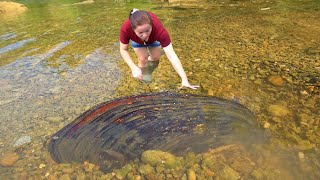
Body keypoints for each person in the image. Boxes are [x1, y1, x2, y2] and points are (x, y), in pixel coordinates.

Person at [119, 8, 199, 89]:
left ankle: (161, 50)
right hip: (137, 41)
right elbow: (123, 49)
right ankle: (144, 81)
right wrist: (133, 68)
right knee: (143, 59)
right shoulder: (126, 28)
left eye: (147, 30)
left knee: (155, 58)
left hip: (154, 38)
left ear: (151, 26)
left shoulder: (159, 30)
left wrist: (184, 79)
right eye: (140, 32)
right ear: (133, 30)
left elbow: (172, 55)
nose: (145, 35)